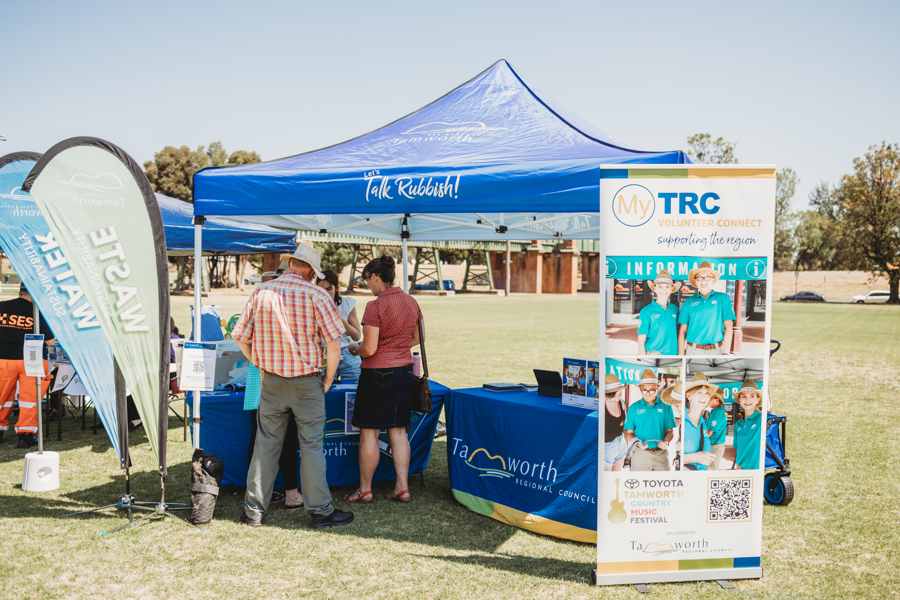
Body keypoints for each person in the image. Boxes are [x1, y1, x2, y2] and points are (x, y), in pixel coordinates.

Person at [232, 245, 353, 529]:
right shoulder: (316, 294)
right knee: (311, 446)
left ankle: (253, 512)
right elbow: (335, 343)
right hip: (307, 381)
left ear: (290, 264)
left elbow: (240, 336)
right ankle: (321, 512)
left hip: (271, 381)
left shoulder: (262, 291)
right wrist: (328, 378)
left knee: (266, 445)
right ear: (311, 270)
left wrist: (259, 364)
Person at [344, 254, 421, 504]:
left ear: (375, 277)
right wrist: (396, 348)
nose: (367, 285)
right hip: (405, 371)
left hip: (378, 373)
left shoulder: (375, 306)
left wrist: (354, 348)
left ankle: (365, 489)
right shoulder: (411, 302)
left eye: (367, 280)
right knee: (398, 432)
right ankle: (402, 487)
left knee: (369, 432)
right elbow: (418, 338)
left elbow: (369, 349)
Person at [0, 285, 54, 448]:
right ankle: (26, 436)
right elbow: (50, 341)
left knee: (3, 397)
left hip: (4, 359)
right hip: (32, 360)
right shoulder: (37, 311)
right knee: (29, 399)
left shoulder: (2, 307)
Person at [244, 362, 303, 509]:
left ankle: (258, 493)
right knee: (286, 438)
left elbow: (243, 340)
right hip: (280, 377)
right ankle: (292, 495)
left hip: (259, 379)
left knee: (258, 438)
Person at [677, 261, 736, 355]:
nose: (703, 281)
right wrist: (681, 355)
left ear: (713, 280)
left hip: (716, 350)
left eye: (708, 277)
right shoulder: (689, 302)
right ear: (695, 281)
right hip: (693, 350)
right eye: (700, 277)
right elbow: (683, 330)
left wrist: (726, 352)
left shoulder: (722, 298)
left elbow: (728, 327)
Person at [624, 369, 676, 471]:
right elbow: (628, 433)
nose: (648, 393)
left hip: (661, 455)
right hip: (640, 454)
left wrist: (666, 441)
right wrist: (638, 443)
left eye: (651, 389)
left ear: (657, 388)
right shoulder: (633, 408)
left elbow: (670, 431)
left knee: (662, 485)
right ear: (640, 389)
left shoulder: (666, 406)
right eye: (644, 389)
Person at [317, 269, 362, 380]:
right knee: (323, 392)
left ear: (337, 288)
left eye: (329, 289)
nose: (325, 294)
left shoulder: (347, 303)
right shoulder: (312, 305)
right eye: (321, 290)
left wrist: (339, 318)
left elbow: (356, 336)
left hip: (348, 351)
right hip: (324, 353)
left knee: (353, 390)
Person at [637, 270, 681, 355]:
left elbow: (678, 333)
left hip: (673, 355)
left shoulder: (674, 309)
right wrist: (642, 359)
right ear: (655, 288)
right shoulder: (646, 311)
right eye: (660, 286)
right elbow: (641, 339)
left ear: (672, 289)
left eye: (667, 286)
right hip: (653, 354)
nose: (664, 290)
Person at [682, 374, 718, 470]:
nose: (704, 397)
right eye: (699, 393)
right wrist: (697, 457)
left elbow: (704, 456)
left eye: (707, 394)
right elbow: (669, 459)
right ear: (689, 396)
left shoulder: (702, 422)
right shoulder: (679, 421)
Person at [733, 380, 763, 470]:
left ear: (757, 400)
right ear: (740, 400)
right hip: (740, 468)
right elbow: (737, 449)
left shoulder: (762, 419)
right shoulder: (738, 424)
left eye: (752, 396)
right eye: (744, 396)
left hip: (756, 470)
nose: (747, 400)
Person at [603, 374, 627, 471]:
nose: (617, 399)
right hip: (607, 446)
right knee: (607, 479)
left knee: (616, 478)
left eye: (620, 394)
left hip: (621, 443)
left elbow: (624, 425)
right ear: (605, 394)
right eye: (613, 397)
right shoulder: (600, 407)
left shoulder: (622, 403)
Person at [706, 388, 728, 470]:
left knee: (711, 468)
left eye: (711, 398)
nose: (708, 400)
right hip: (715, 445)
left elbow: (709, 432)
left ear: (717, 400)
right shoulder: (716, 411)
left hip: (715, 446)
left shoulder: (717, 412)